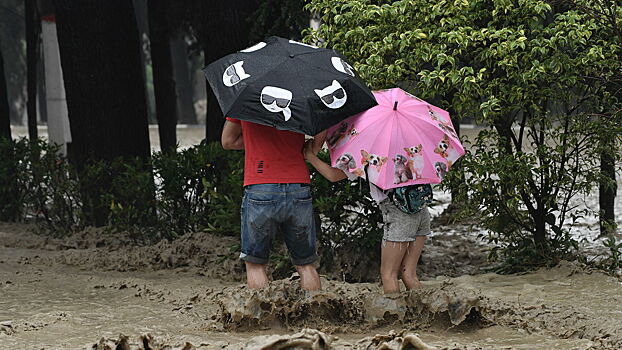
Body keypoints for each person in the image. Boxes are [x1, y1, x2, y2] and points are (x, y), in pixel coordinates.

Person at [303, 141, 430, 294]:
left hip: (398, 212)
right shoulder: (409, 141)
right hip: (420, 208)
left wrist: (310, 156)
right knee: (409, 275)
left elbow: (333, 175)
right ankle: (420, 316)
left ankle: (395, 316)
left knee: (388, 275)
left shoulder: (367, 147)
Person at [221, 117, 326, 290]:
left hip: (260, 185)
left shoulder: (247, 99)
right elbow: (322, 125)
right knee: (306, 264)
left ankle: (262, 315)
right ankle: (315, 314)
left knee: (255, 264)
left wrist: (256, 142)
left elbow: (228, 141)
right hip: (298, 185)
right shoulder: (299, 97)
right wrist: (313, 147)